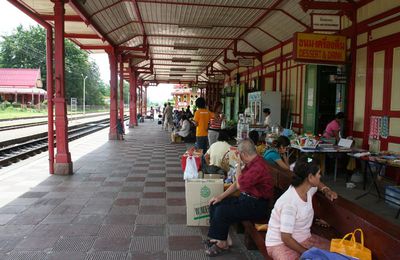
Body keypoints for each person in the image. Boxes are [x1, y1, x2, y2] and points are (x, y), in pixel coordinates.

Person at [204, 139, 274, 257]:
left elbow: (240, 184)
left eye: (238, 154)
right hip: (247, 199)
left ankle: (222, 243)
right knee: (215, 204)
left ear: (243, 154)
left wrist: (237, 165)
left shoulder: (259, 166)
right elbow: (237, 184)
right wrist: (220, 197)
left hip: (257, 206)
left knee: (222, 211)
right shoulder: (252, 163)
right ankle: (222, 238)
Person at [265, 156, 338, 260]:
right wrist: (309, 253)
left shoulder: (307, 188)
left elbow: (318, 185)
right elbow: (286, 238)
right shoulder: (290, 203)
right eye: (318, 174)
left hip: (304, 238)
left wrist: (326, 190)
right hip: (280, 244)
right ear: (310, 177)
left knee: (336, 253)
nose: (320, 176)